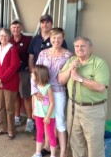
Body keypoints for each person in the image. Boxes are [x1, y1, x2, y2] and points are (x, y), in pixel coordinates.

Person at [58, 37, 110, 157]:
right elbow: (60, 80)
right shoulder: (72, 60)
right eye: (77, 46)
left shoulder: (99, 63)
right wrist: (70, 69)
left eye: (83, 46)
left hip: (93, 110)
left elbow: (101, 87)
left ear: (90, 48)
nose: (79, 49)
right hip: (73, 108)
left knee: (94, 145)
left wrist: (80, 78)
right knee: (76, 143)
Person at [31, 28, 72, 157]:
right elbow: (35, 73)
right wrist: (35, 91)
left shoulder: (68, 55)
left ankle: (63, 151)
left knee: (58, 120)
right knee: (44, 119)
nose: (56, 40)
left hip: (58, 91)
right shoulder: (43, 53)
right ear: (50, 38)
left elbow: (69, 75)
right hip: (42, 91)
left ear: (63, 38)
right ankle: (47, 146)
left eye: (59, 38)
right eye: (54, 38)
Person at [0, 28, 21, 139]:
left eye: (6, 36)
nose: (3, 38)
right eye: (1, 35)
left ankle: (11, 130)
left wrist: (1, 79)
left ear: (9, 37)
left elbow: (14, 67)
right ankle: (3, 127)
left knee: (9, 107)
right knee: (1, 107)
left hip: (9, 83)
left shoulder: (13, 49)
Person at [10, 20, 34, 131]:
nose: (16, 30)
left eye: (18, 27)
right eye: (13, 28)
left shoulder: (28, 40)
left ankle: (30, 120)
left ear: (21, 28)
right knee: (15, 96)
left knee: (26, 96)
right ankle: (17, 117)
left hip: (23, 72)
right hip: (12, 73)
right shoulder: (8, 40)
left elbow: (31, 56)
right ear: (11, 29)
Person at [31, 65, 56, 157]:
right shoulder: (35, 87)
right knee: (39, 132)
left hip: (48, 116)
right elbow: (33, 99)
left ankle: (53, 155)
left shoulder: (48, 87)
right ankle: (38, 153)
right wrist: (33, 110)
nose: (31, 75)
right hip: (38, 114)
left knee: (50, 134)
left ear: (38, 75)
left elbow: (52, 103)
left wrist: (48, 116)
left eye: (33, 74)